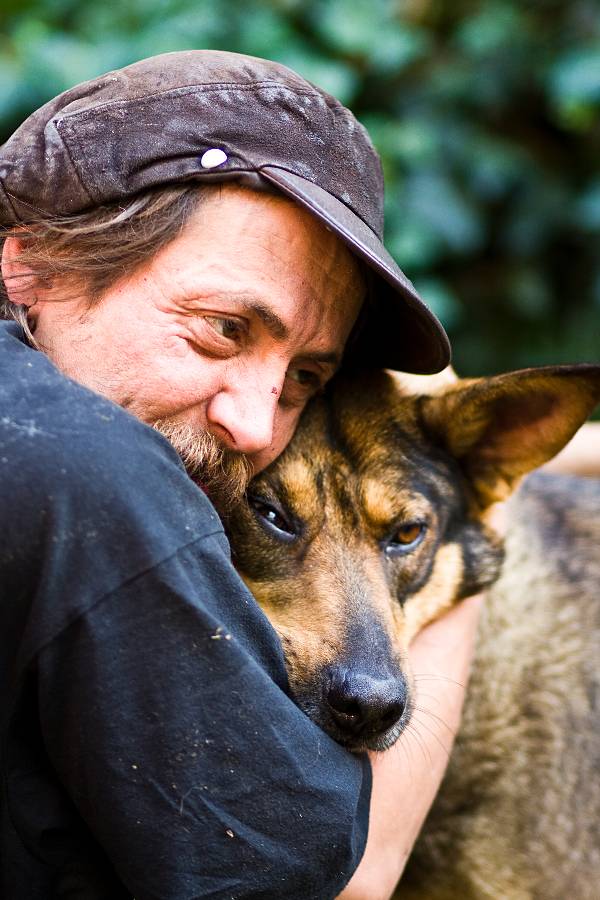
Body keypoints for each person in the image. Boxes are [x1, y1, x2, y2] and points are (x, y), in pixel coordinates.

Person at [0, 49, 597, 900]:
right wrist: (470, 532)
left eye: (305, 375)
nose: (254, 425)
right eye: (222, 328)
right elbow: (336, 883)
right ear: (30, 264)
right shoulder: (92, 471)